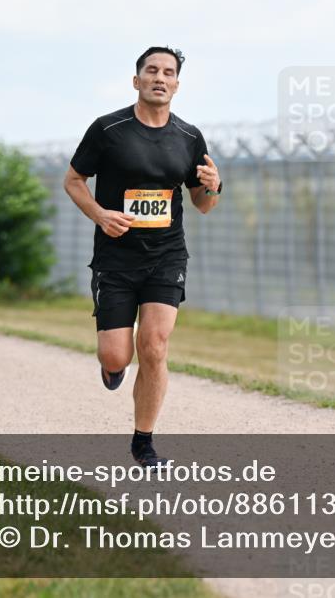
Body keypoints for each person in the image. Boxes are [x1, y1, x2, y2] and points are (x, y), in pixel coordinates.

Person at [63, 46, 222, 467]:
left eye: (168, 72)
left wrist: (214, 186)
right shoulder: (108, 129)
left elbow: (202, 203)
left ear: (176, 85)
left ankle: (144, 442)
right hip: (115, 259)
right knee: (118, 355)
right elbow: (74, 180)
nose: (159, 77)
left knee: (154, 344)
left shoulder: (189, 138)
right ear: (137, 80)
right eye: (151, 70)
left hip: (166, 256)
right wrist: (99, 214)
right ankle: (113, 367)